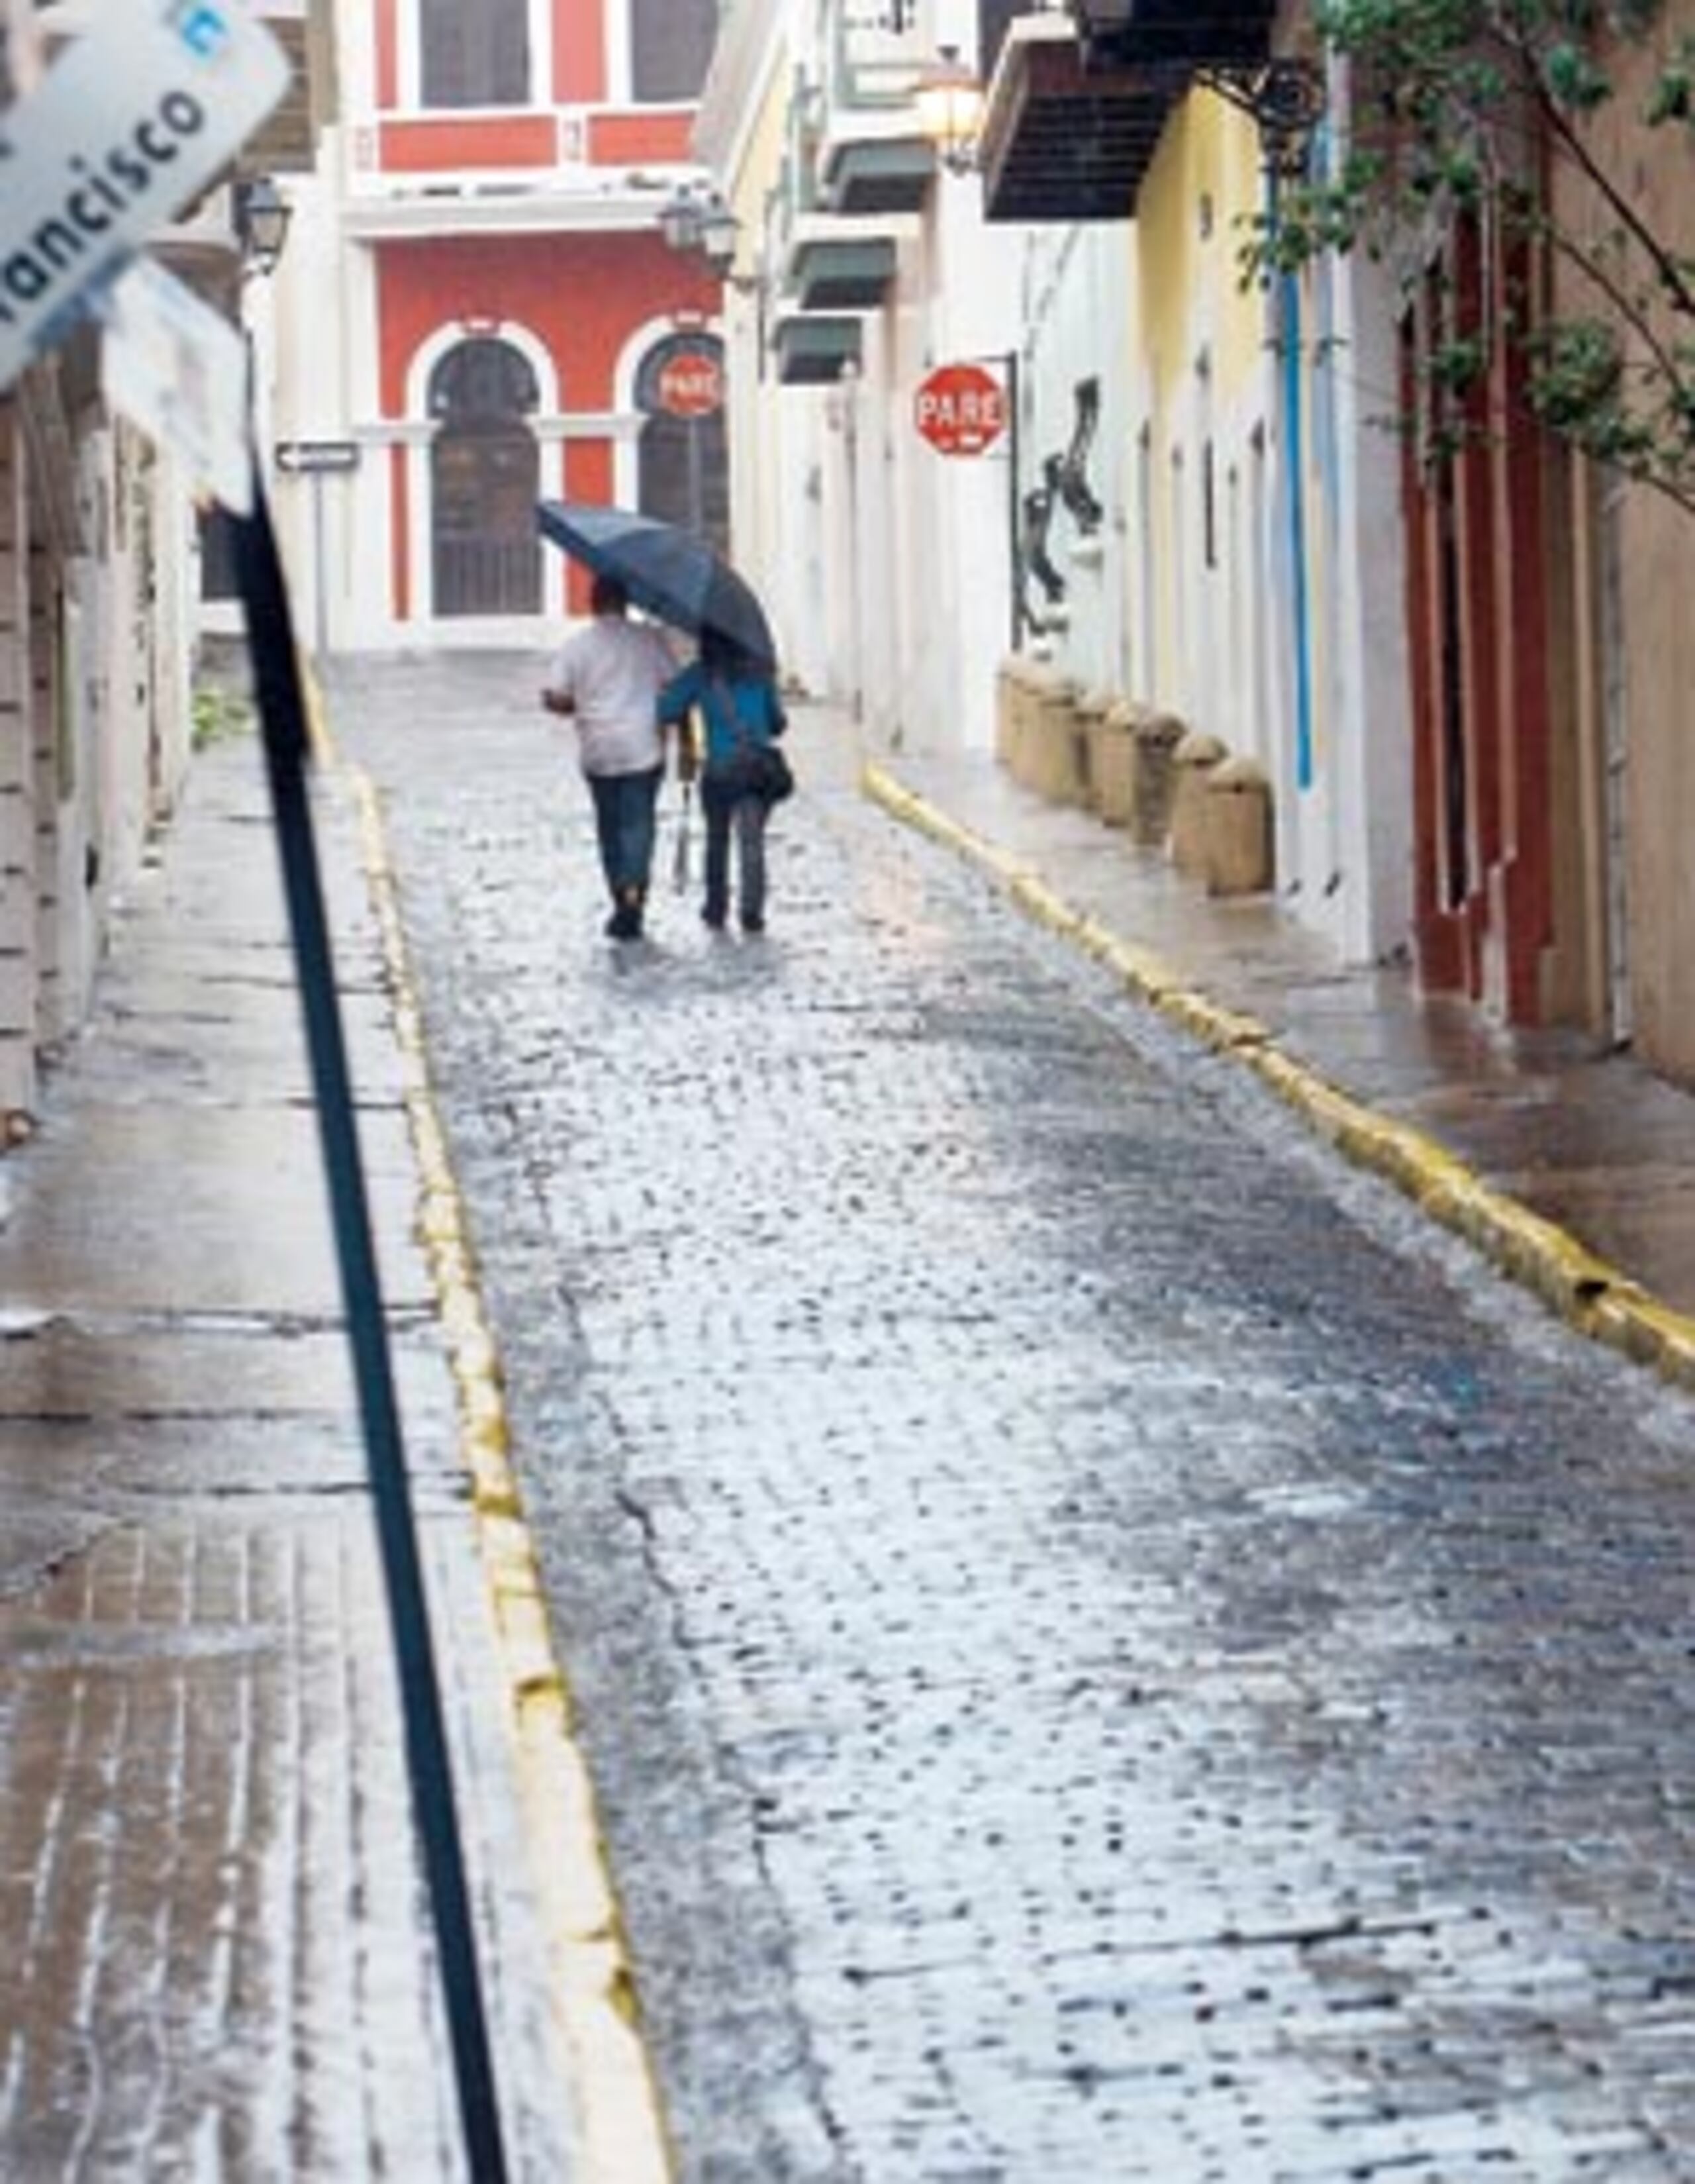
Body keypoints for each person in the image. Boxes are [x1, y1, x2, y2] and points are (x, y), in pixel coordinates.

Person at [540, 573, 682, 940]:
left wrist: (577, 704)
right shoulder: (650, 641)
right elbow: (674, 685)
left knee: (609, 826)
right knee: (639, 822)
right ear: (625, 602)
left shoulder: (577, 647)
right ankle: (635, 893)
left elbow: (554, 696)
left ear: (593, 603)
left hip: (598, 748)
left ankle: (620, 896)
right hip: (643, 745)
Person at [659, 627, 789, 936]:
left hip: (719, 770)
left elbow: (665, 710)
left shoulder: (701, 674)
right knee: (752, 841)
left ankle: (716, 908)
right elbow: (777, 723)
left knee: (717, 841)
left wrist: (671, 691)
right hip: (755, 771)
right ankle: (752, 912)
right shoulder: (760, 674)